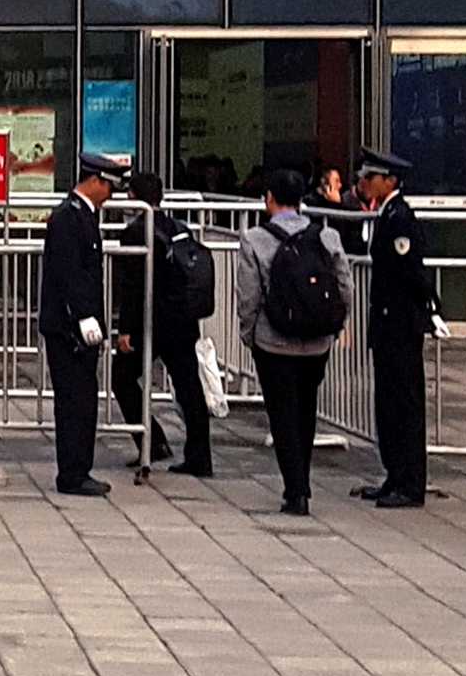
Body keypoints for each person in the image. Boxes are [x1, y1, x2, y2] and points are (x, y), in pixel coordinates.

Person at [236, 166, 348, 517]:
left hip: (273, 341)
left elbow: (248, 295)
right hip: (317, 341)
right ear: (301, 200)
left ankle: (295, 489)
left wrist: (249, 333)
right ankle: (302, 479)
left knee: (282, 414)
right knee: (306, 409)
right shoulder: (326, 236)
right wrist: (335, 326)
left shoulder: (254, 239)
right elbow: (344, 285)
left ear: (268, 199)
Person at [349, 148, 442, 508]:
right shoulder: (386, 214)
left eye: (370, 177)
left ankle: (410, 482)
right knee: (387, 403)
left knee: (404, 404)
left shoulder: (400, 218)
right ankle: (394, 475)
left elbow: (410, 271)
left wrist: (430, 307)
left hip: (401, 322)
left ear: (389, 181)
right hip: (387, 322)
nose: (363, 182)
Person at [109, 170, 213, 478]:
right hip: (181, 321)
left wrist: (125, 329)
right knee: (189, 388)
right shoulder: (179, 228)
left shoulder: (134, 232)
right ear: (161, 197)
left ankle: (152, 441)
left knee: (122, 379)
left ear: (132, 197)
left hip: (149, 323)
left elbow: (132, 287)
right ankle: (200, 457)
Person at [37, 152, 123, 498]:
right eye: (109, 185)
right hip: (68, 327)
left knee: (84, 400)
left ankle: (79, 469)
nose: (111, 193)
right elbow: (69, 274)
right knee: (75, 401)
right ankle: (73, 473)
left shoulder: (83, 216)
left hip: (76, 325)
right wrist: (83, 316)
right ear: (94, 181)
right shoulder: (68, 218)